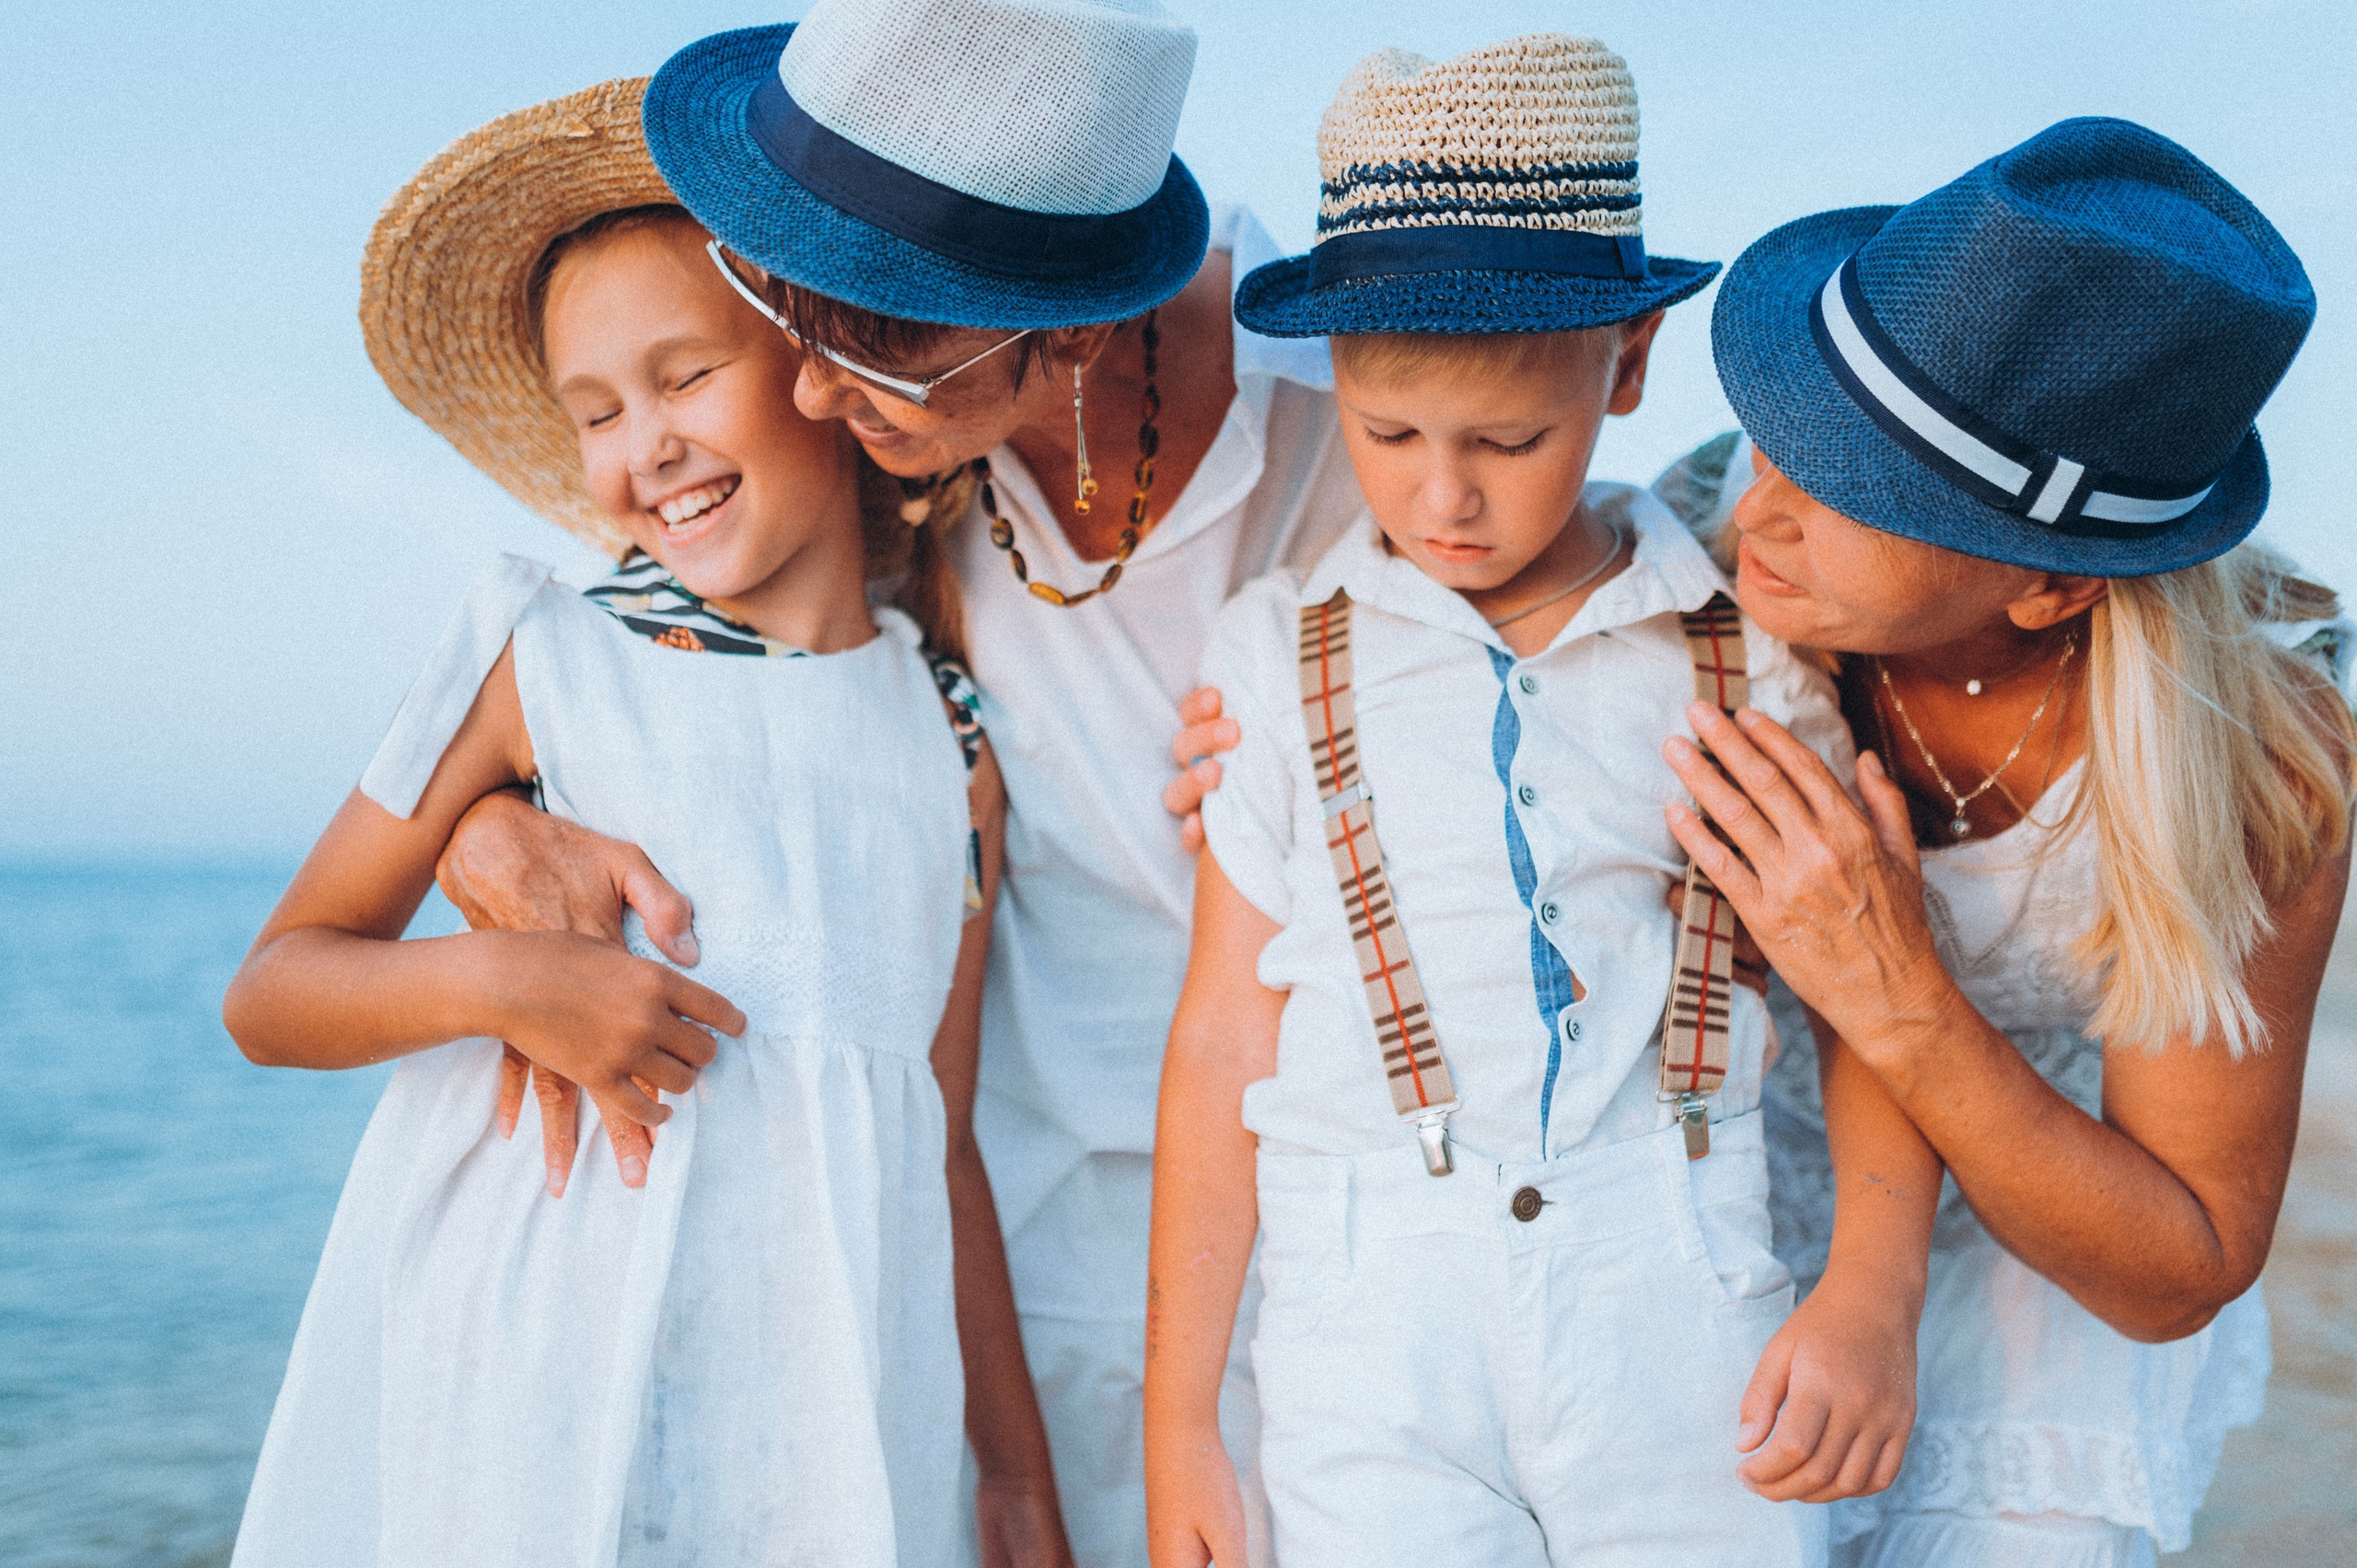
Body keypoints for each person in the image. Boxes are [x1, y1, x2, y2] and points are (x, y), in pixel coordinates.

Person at [428, 6, 1365, 1562]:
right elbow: (670, 673)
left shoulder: (1369, 424)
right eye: (794, 309)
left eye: (877, 339)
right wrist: (487, 821)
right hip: (1026, 1238)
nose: (806, 390)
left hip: (1351, 1227)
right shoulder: (881, 436)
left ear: (1066, 331)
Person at [222, 80, 1063, 1567]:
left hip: (823, 1410)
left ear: (814, 371)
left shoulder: (953, 734)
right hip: (538, 1372)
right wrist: (503, 984)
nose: (643, 447)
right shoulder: (536, 651)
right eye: (595, 412)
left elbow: (942, 1141)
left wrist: (1010, 1480)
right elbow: (276, 988)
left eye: (684, 378)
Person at [1142, 39, 1930, 1568]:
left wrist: (1873, 1295)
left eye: (1508, 443)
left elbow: (1872, 1000)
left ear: (1626, 367)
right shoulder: (1276, 653)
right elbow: (1223, 1043)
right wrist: (1183, 1419)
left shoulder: (1744, 653)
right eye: (1388, 437)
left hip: (1681, 1288)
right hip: (1366, 1318)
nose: (1445, 498)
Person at [1651, 118, 2350, 1566]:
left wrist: (1895, 988)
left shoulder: (2261, 762)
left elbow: (2181, 1267)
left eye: (1847, 487)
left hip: (2064, 1240)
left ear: (2048, 589)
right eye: (1784, 431)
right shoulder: (1711, 568)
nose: (1761, 507)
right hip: (1740, 1197)